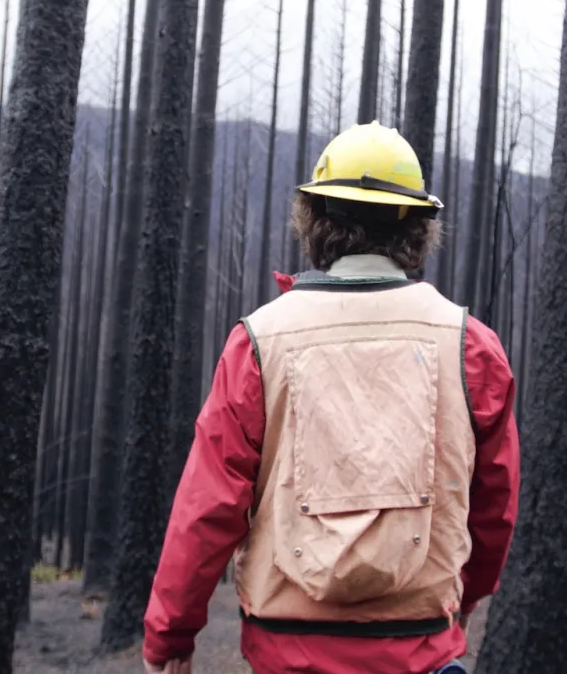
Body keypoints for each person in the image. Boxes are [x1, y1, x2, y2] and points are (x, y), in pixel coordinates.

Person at [142, 122, 520, 674]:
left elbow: (207, 505)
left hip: (286, 652)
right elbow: (494, 510)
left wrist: (170, 636)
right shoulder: (470, 347)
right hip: (420, 648)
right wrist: (460, 601)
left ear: (314, 219)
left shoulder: (258, 343)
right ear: (417, 228)